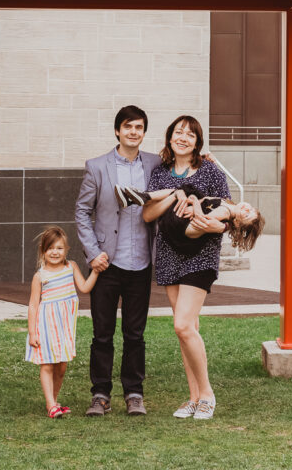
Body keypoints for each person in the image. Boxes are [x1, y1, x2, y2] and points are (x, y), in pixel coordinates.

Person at [74, 104, 161, 416]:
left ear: (144, 133)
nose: (133, 132)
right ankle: (100, 394)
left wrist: (203, 159)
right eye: (128, 127)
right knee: (102, 333)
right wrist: (93, 253)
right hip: (107, 264)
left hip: (140, 263)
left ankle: (134, 392)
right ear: (117, 131)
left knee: (135, 334)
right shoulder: (97, 167)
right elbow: (82, 212)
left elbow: (182, 166)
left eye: (139, 128)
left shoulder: (154, 163)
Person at [142, 115, 231, 421]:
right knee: (187, 330)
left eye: (189, 134)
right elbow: (148, 214)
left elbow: (228, 209)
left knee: (182, 324)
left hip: (201, 255)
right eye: (178, 132)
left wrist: (197, 204)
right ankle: (193, 398)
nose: (183, 137)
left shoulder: (210, 171)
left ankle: (207, 394)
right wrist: (174, 194)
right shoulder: (160, 174)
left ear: (197, 141)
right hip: (168, 254)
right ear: (169, 138)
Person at [26, 226, 100, 418]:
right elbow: (33, 305)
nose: (55, 252)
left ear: (66, 249)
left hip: (65, 326)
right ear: (43, 251)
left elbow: (84, 287)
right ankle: (50, 404)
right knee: (47, 364)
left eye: (59, 248)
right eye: (50, 248)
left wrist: (96, 272)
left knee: (62, 366)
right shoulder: (40, 276)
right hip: (46, 326)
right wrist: (33, 332)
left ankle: (54, 401)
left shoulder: (71, 267)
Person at [116, 182, 265, 257]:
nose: (247, 209)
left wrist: (194, 203)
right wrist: (196, 200)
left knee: (180, 191)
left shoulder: (224, 212)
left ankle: (142, 197)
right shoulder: (227, 204)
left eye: (247, 215)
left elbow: (200, 219)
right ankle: (136, 199)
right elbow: (206, 199)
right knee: (185, 192)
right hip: (181, 226)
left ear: (238, 223)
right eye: (251, 209)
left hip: (180, 226)